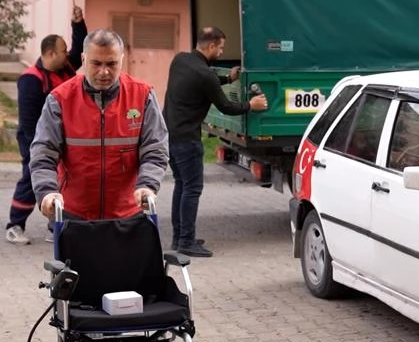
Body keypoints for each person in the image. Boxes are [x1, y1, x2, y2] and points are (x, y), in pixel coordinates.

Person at [31, 28, 169, 223]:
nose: (104, 72)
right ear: (83, 59)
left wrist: (148, 184)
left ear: (122, 60)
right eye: (96, 63)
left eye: (111, 64)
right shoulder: (60, 99)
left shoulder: (143, 95)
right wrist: (47, 191)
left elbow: (155, 149)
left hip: (127, 213)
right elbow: (44, 152)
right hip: (73, 213)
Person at [162, 27, 268, 258]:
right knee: (192, 189)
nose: (221, 52)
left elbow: (203, 82)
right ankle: (187, 242)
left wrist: (228, 78)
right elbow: (226, 107)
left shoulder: (180, 61)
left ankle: (179, 238)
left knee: (182, 185)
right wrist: (251, 105)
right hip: (187, 141)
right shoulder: (205, 75)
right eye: (220, 47)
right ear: (211, 46)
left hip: (168, 136)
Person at [5, 7, 88, 244]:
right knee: (33, 179)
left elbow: (80, 47)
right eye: (63, 51)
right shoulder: (31, 79)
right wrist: (38, 150)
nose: (68, 54)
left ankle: (55, 227)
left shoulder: (66, 68)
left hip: (65, 136)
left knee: (62, 180)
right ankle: (15, 225)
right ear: (51, 54)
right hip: (36, 138)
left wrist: (78, 24)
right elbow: (29, 121)